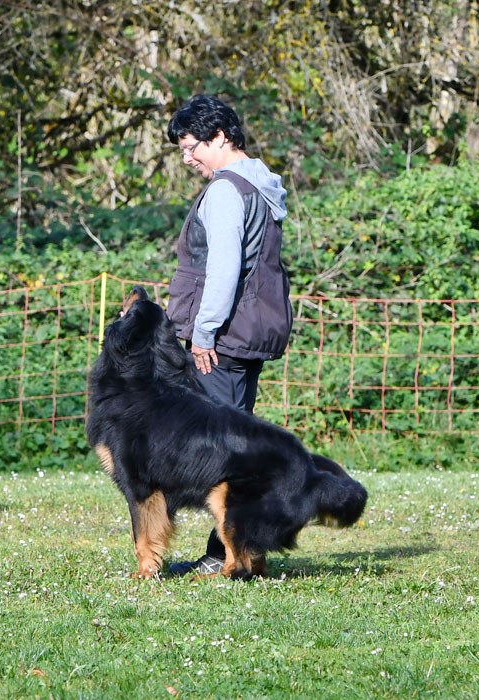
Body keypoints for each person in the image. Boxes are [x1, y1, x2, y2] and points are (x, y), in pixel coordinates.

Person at [163, 94, 293, 575]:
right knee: (234, 442)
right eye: (182, 149)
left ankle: (231, 556)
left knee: (221, 451)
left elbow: (222, 270)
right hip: (248, 334)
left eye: (192, 146)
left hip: (224, 338)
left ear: (220, 137)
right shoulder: (260, 186)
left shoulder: (225, 191)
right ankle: (240, 553)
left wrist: (203, 333)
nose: (188, 158)